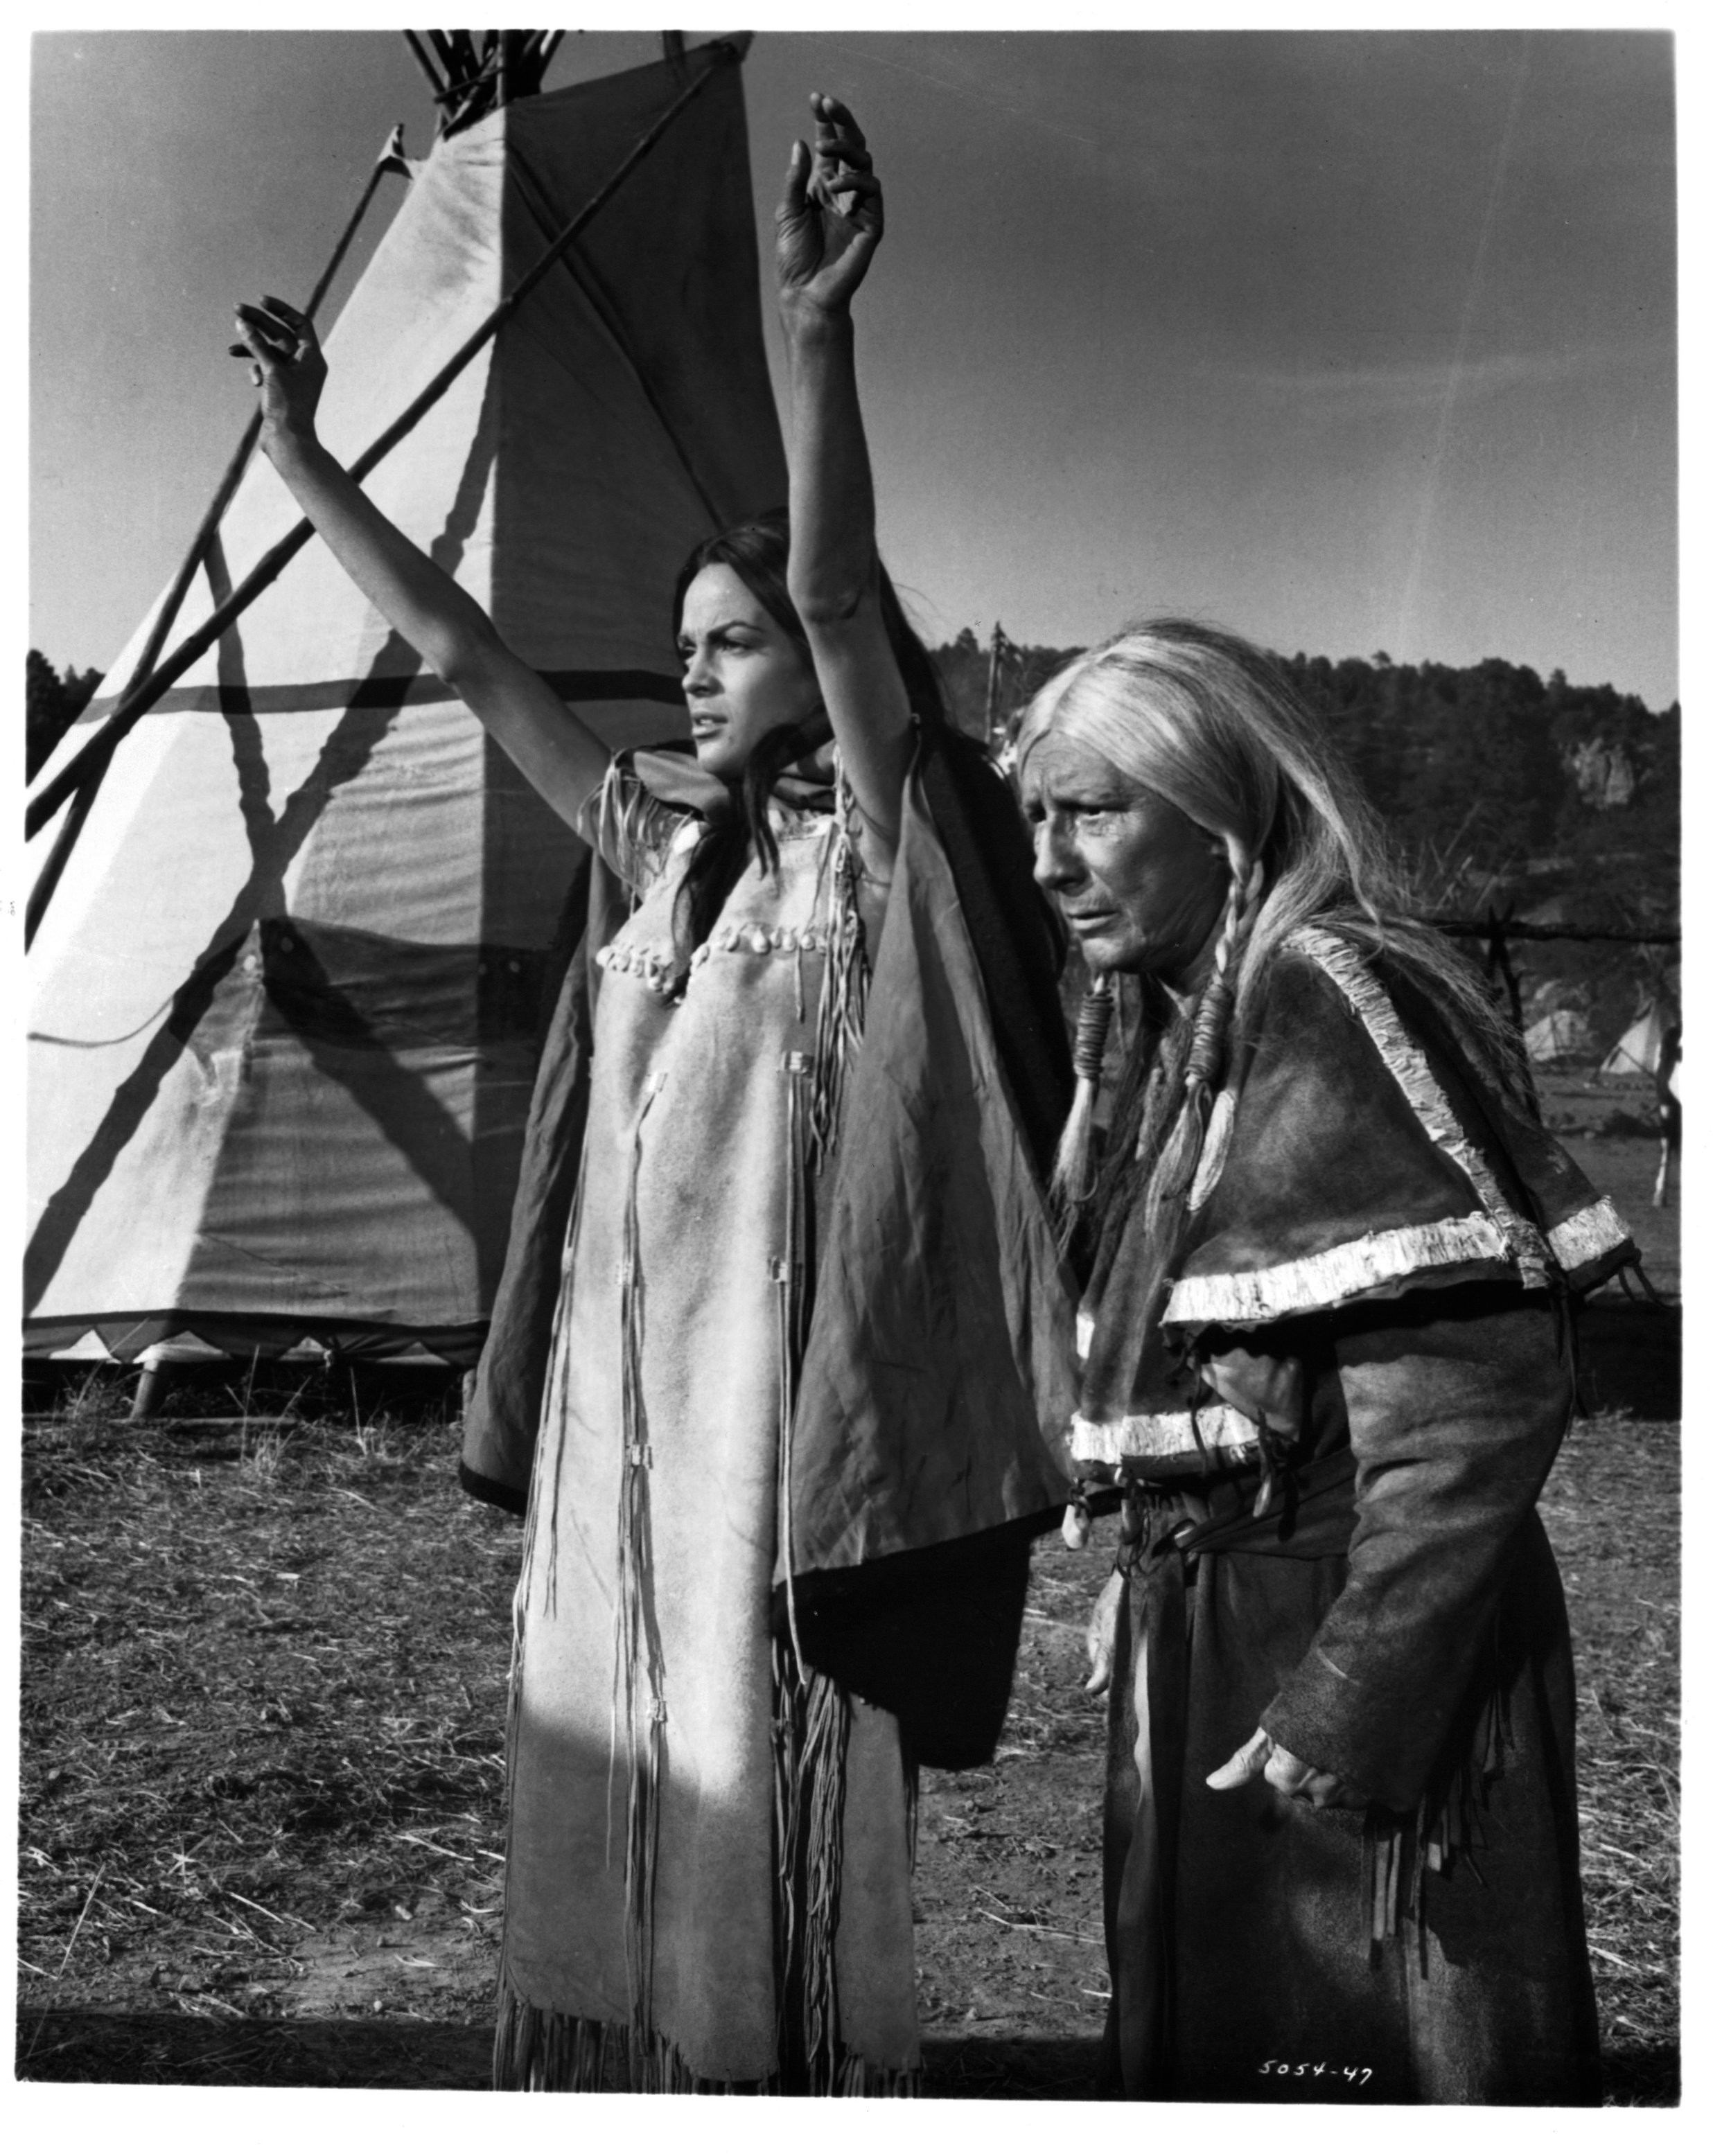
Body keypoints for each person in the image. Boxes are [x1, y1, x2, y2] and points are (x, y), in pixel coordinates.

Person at [235, 95, 1075, 2093]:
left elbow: (857, 598)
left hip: (775, 1426)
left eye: (728, 641)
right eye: (685, 643)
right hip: (626, 1417)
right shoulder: (655, 843)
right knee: (615, 1749)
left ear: (805, 655)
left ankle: (767, 2092)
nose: (689, 674)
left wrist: (815, 337)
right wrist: (303, 460)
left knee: (755, 1761)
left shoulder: (876, 850)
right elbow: (457, 648)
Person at [1017, 620, 1635, 2105]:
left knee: (1378, 2054)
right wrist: (1158, 1557)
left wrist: (1352, 1689)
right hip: (1229, 1621)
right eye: (1037, 815)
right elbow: (1238, 1373)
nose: (1049, 860)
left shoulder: (1330, 989)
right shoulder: (1179, 1026)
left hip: (1350, 1635)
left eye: (1093, 810)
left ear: (1219, 810)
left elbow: (1473, 1400)